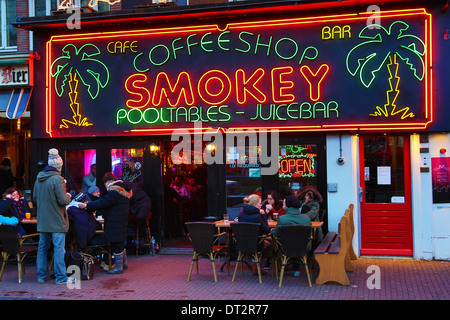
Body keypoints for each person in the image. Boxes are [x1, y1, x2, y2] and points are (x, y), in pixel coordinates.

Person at [78, 172, 132, 275]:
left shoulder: (114, 192)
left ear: (107, 182)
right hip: (121, 220)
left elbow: (102, 203)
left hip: (115, 221)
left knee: (116, 244)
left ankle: (119, 268)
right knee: (120, 242)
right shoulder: (122, 190)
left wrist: (86, 206)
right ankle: (123, 264)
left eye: (105, 184)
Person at [33, 148, 73, 284]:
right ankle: (61, 277)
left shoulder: (39, 178)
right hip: (56, 219)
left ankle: (41, 276)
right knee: (58, 249)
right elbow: (62, 201)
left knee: (42, 248)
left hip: (43, 220)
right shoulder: (58, 179)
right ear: (59, 166)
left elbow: (34, 198)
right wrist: (68, 196)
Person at [271, 195, 311, 276]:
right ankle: (297, 269)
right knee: (296, 240)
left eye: (284, 204)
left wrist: (272, 231)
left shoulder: (282, 219)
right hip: (303, 248)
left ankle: (274, 268)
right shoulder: (306, 218)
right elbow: (310, 234)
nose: (283, 205)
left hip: (285, 248)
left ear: (288, 206)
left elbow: (276, 234)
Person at [237, 193, 272, 274]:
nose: (261, 205)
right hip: (255, 243)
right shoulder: (257, 216)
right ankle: (258, 266)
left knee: (267, 240)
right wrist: (263, 215)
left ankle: (256, 264)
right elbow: (266, 230)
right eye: (260, 203)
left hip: (242, 243)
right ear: (255, 204)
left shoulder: (241, 213)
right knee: (270, 243)